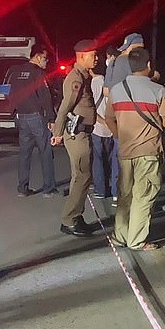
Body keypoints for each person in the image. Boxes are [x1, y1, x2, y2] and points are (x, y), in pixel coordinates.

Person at [106, 48, 165, 251]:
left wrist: (119, 135)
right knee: (143, 195)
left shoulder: (117, 89)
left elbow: (109, 118)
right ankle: (136, 240)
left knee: (125, 194)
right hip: (148, 151)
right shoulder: (158, 90)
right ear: (148, 66)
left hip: (125, 152)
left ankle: (120, 235)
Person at [52, 39, 98, 237]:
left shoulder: (84, 76)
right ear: (81, 56)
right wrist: (57, 133)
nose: (96, 58)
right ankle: (70, 219)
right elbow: (64, 107)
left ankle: (75, 216)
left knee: (80, 177)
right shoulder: (76, 79)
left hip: (82, 132)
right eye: (93, 55)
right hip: (77, 134)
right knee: (82, 177)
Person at [7, 44, 57, 197]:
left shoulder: (15, 72)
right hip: (37, 117)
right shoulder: (38, 73)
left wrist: (14, 110)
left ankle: (23, 188)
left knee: (24, 153)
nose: (46, 62)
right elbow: (45, 96)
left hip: (22, 117)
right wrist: (51, 118)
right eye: (45, 58)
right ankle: (48, 188)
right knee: (46, 152)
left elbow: (10, 93)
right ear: (37, 56)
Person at [90, 63, 119, 202]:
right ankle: (109, 186)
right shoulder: (108, 83)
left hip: (97, 125)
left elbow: (91, 105)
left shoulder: (94, 83)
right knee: (109, 158)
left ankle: (100, 189)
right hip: (110, 126)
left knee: (98, 159)